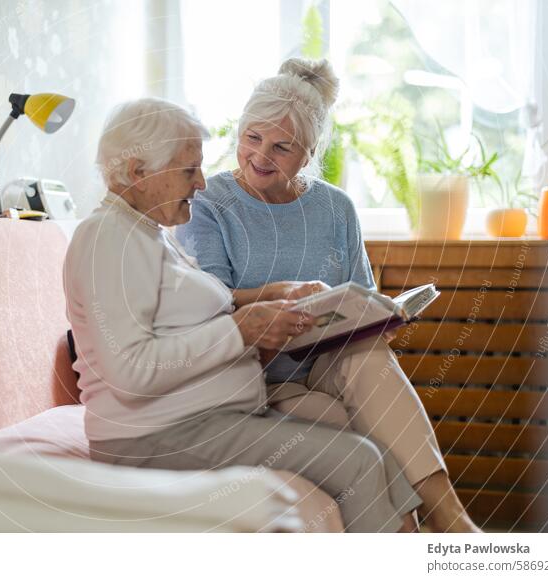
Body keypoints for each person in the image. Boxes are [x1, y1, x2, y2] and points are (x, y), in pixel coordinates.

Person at [63, 97, 423, 532]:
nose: (201, 183)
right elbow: (129, 369)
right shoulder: (108, 239)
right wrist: (241, 330)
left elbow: (184, 314)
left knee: (369, 443)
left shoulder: (145, 233)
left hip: (206, 418)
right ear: (138, 172)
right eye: (187, 171)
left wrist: (271, 295)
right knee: (359, 461)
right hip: (156, 436)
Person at [176, 57, 479, 532]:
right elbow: (213, 299)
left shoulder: (336, 207)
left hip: (327, 362)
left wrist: (382, 315)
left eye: (282, 147)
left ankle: (454, 520)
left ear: (310, 151)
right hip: (257, 376)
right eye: (251, 138)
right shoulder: (211, 203)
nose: (261, 156)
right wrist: (280, 296)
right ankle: (418, 537)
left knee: (369, 353)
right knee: (361, 432)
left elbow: (363, 297)